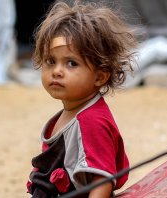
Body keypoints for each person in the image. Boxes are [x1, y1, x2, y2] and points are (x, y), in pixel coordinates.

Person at [26, 1, 139, 197]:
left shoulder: (91, 121)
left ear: (100, 76)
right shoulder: (72, 112)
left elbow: (102, 181)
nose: (57, 71)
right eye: (50, 61)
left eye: (71, 63)